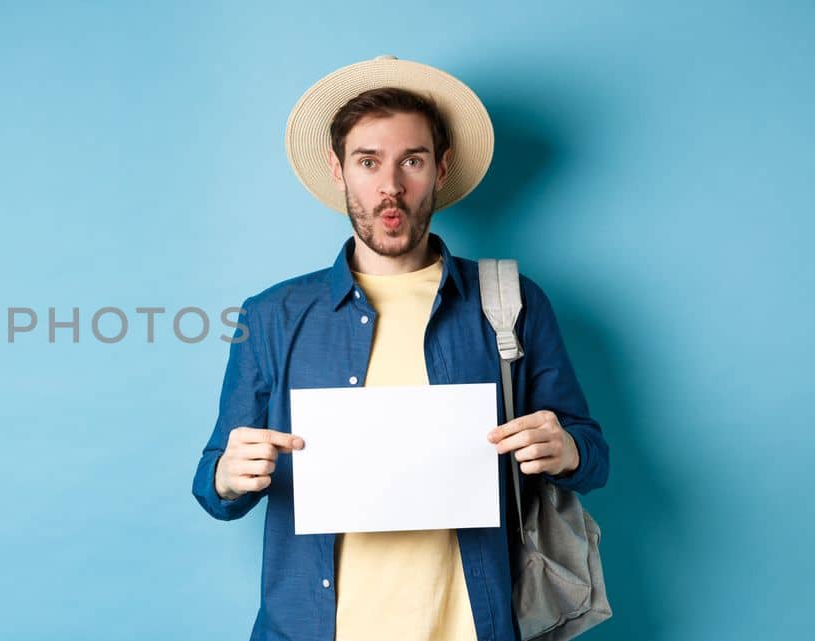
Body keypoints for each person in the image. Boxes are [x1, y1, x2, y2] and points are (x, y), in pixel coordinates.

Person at [189, 56, 610, 641]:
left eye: (410, 161)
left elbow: (592, 455)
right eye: (368, 162)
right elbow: (213, 485)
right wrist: (229, 476)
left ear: (440, 169)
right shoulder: (271, 316)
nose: (390, 186)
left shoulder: (510, 301)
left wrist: (563, 448)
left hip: (473, 626)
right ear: (339, 171)